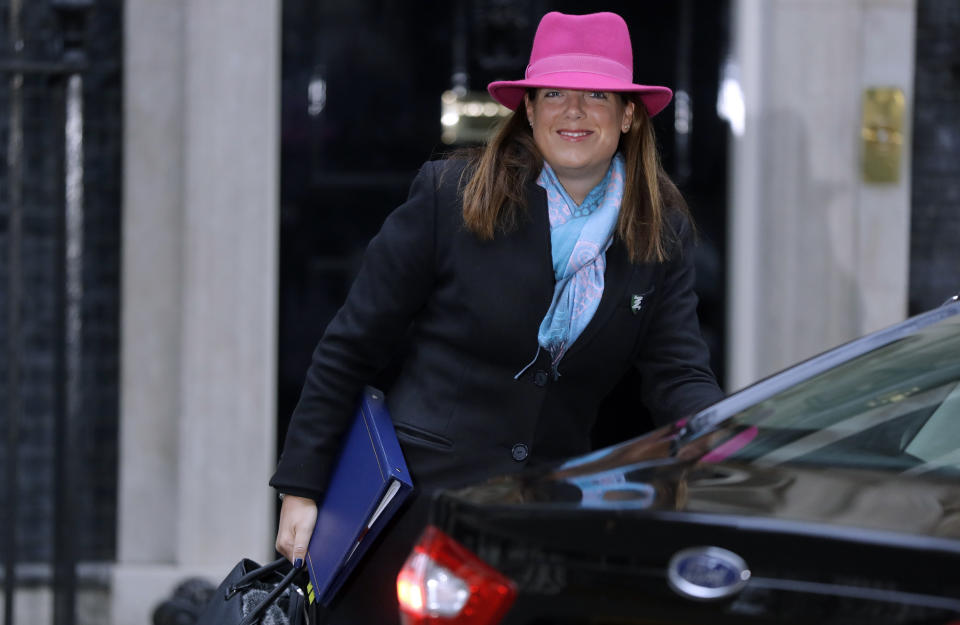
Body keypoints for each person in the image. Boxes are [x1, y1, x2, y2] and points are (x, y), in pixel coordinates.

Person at [270, 11, 724, 624]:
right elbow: (350, 346)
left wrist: (726, 450)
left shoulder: (660, 229)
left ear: (628, 115)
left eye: (597, 94)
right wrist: (305, 488)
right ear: (529, 111)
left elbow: (676, 373)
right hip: (416, 511)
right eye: (554, 93)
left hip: (543, 525)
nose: (574, 111)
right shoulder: (449, 195)